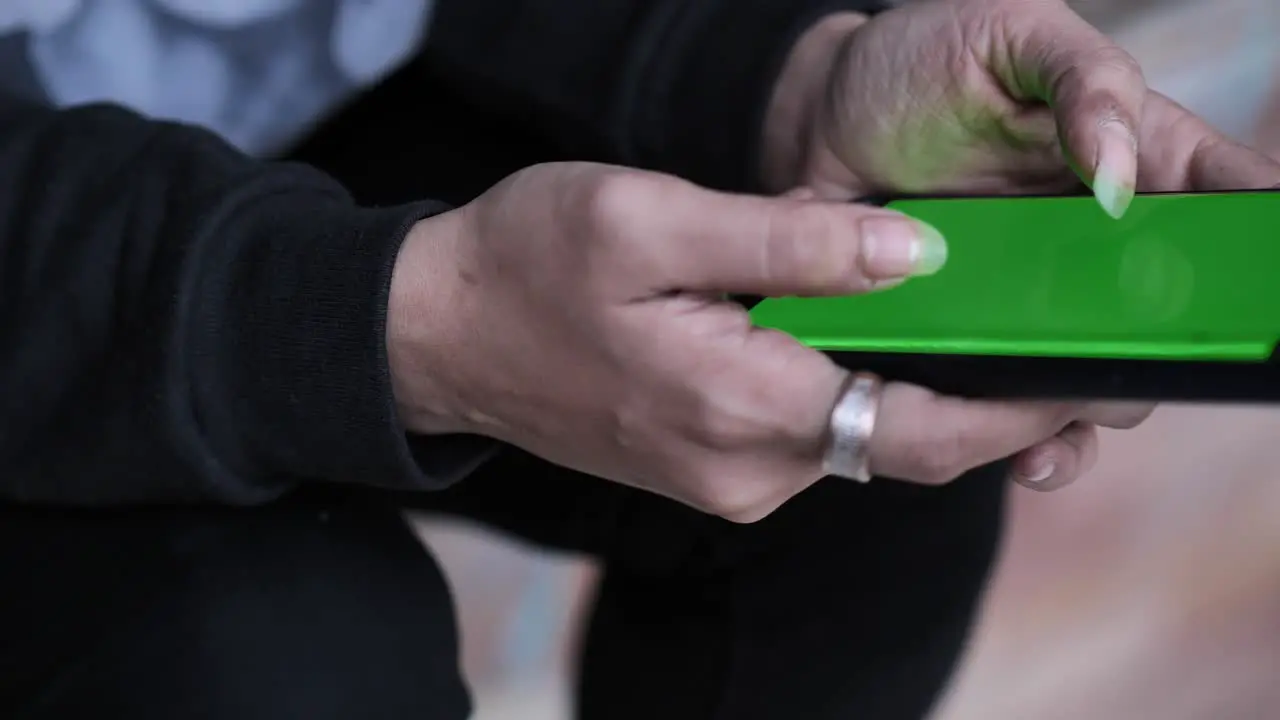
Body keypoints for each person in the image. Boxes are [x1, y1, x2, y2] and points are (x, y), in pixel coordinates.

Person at [0, 0, 1276, 718]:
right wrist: (408, 329)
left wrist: (778, 74)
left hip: (275, 78)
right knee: (281, 668)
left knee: (869, 483)